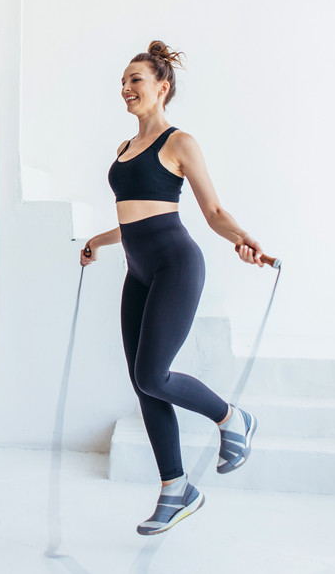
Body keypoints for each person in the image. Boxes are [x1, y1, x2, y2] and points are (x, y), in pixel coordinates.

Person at [80, 40, 265, 536]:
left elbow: (213, 213)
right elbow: (138, 217)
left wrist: (244, 241)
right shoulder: (124, 149)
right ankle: (175, 489)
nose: (125, 88)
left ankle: (232, 419)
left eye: (135, 80)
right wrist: (100, 240)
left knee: (154, 375)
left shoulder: (180, 143)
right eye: (122, 81)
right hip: (138, 269)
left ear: (162, 88)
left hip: (176, 265)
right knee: (143, 383)